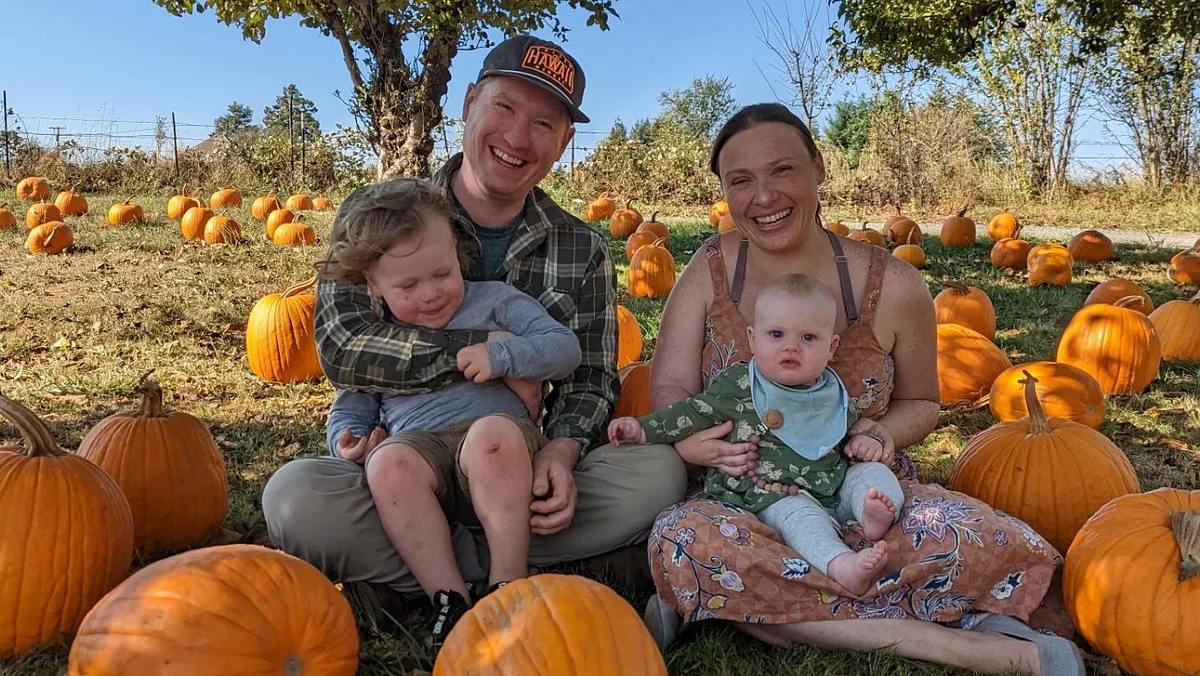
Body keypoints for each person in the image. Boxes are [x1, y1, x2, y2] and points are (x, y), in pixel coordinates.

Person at [641, 103, 1083, 676]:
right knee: (684, 538)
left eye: (782, 171)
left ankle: (729, 606)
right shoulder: (708, 270)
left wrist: (879, 432)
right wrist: (690, 444)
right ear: (725, 191)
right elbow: (672, 386)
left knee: (977, 535)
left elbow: (923, 402)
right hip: (751, 502)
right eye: (741, 181)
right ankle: (961, 643)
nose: (765, 197)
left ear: (818, 169)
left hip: (864, 493)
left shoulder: (893, 283)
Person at [261, 35, 686, 626]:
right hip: (406, 461)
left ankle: (428, 574)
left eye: (544, 124)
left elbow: (588, 373)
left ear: (563, 144)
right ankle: (524, 568)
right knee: (294, 497)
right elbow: (345, 350)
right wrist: (495, 355)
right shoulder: (380, 215)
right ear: (467, 104)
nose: (517, 138)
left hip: (515, 457)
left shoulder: (580, 245)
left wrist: (562, 452)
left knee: (658, 473)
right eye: (504, 108)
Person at [315, 177, 581, 648]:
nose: (431, 294)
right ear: (374, 286)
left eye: (442, 274)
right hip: (420, 453)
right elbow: (354, 398)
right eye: (409, 285)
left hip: (502, 443)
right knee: (388, 463)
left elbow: (564, 348)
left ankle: (506, 585)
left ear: (459, 256)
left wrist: (504, 356)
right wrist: (347, 438)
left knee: (491, 437)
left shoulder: (496, 300)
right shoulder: (379, 338)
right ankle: (447, 596)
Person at [610, 273, 903, 595]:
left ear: (831, 347)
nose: (791, 346)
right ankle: (841, 563)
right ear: (753, 339)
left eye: (808, 338)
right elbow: (692, 413)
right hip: (773, 494)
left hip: (833, 482)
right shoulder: (739, 386)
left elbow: (841, 435)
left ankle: (871, 512)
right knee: (801, 518)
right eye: (776, 334)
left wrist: (865, 443)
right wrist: (642, 429)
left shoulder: (831, 390)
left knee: (873, 474)